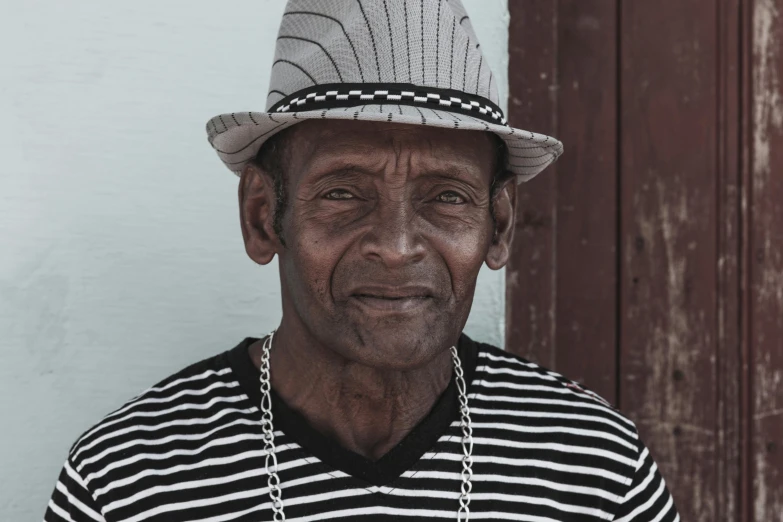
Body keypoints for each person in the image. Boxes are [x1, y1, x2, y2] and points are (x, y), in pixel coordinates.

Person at [44, 1, 680, 520]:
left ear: (499, 226)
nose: (397, 245)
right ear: (263, 217)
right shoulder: (128, 480)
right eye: (342, 192)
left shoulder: (597, 473)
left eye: (448, 196)